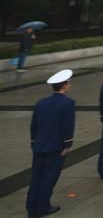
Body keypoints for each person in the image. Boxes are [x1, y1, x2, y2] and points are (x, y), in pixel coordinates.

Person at [26, 69, 75, 218]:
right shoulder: (68, 103)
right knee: (49, 177)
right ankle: (42, 206)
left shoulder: (41, 102)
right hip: (55, 147)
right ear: (65, 85)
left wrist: (34, 141)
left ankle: (31, 206)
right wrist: (67, 145)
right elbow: (67, 126)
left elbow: (34, 125)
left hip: (39, 145)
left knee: (36, 177)